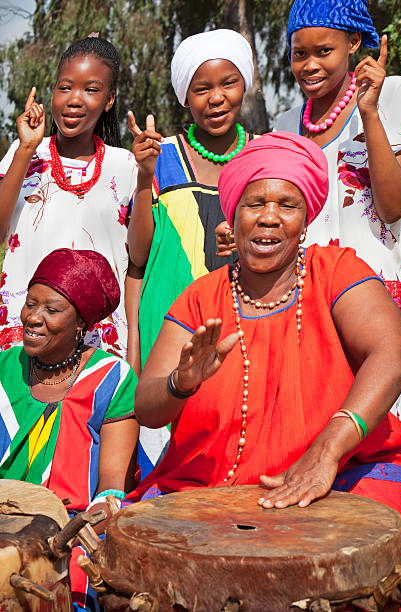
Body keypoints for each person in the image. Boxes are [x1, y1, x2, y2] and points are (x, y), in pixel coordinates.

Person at [129, 133, 401, 611]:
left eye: (286, 205)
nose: (269, 216)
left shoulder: (337, 271)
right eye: (255, 203)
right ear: (233, 213)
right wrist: (179, 383)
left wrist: (326, 452)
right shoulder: (200, 298)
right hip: (213, 485)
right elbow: (145, 406)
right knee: (117, 557)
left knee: (372, 549)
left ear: (305, 219)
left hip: (346, 470)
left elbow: (394, 354)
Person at [273, 0, 401, 423]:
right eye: (299, 53)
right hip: (304, 301)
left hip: (373, 297)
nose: (309, 65)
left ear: (353, 43)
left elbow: (393, 206)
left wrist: (369, 112)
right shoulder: (285, 125)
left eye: (324, 51)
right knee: (306, 427)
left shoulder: (392, 95)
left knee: (370, 432)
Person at [126, 28, 256, 477]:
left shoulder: (261, 158)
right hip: (168, 320)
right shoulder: (158, 157)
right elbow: (138, 255)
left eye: (228, 83)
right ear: (185, 97)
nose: (216, 98)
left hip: (239, 321)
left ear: (246, 86)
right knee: (166, 454)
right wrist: (144, 179)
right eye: (201, 89)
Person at [0, 36, 138, 359]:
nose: (74, 99)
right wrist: (25, 150)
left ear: (109, 99)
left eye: (90, 90)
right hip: (24, 338)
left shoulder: (127, 167)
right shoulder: (23, 156)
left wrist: (134, 349)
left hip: (100, 346)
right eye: (65, 87)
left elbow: (137, 266)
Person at [0, 248, 139, 514]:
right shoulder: (4, 368)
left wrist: (66, 538)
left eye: (51, 310)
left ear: (80, 324)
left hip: (75, 529)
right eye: (30, 303)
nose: (33, 318)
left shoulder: (111, 379)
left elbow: (112, 495)